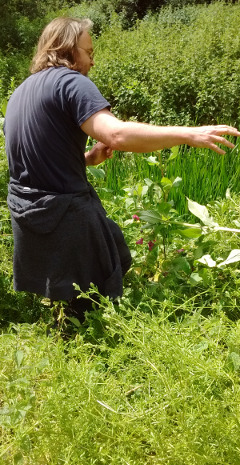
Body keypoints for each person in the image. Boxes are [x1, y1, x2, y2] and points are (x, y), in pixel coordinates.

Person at [3, 17, 240, 321]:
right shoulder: (70, 81)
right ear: (68, 49)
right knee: (96, 291)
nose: (91, 61)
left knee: (111, 251)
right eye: (88, 52)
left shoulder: (20, 93)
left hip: (28, 213)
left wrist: (87, 159)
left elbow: (31, 160)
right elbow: (115, 134)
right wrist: (189, 134)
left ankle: (67, 327)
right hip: (64, 213)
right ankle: (88, 347)